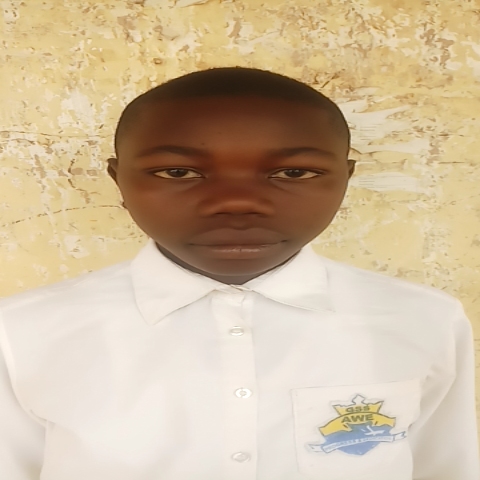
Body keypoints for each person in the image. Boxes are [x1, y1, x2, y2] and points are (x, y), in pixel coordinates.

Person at [0, 67, 478, 480]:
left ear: (345, 179)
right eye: (178, 173)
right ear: (118, 179)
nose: (236, 203)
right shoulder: (23, 333)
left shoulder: (423, 320)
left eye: (293, 173)